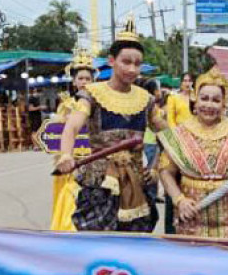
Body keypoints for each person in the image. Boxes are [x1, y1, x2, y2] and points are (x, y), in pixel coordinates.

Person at [57, 18, 164, 232]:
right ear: (112, 61)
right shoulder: (92, 94)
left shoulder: (146, 100)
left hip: (136, 182)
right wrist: (66, 155)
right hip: (100, 181)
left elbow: (167, 137)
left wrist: (155, 167)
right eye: (126, 62)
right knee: (98, 241)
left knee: (135, 240)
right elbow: (72, 127)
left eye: (137, 64)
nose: (132, 69)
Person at [158, 70, 228, 238]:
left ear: (224, 103)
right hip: (191, 214)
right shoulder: (179, 134)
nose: (209, 105)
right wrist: (179, 200)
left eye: (216, 100)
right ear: (195, 99)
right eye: (204, 98)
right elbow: (165, 171)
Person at [47, 48, 96, 232]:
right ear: (74, 81)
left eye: (88, 78)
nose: (84, 82)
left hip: (94, 160)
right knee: (70, 202)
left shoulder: (99, 103)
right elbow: (59, 133)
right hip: (72, 162)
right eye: (80, 78)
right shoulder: (67, 105)